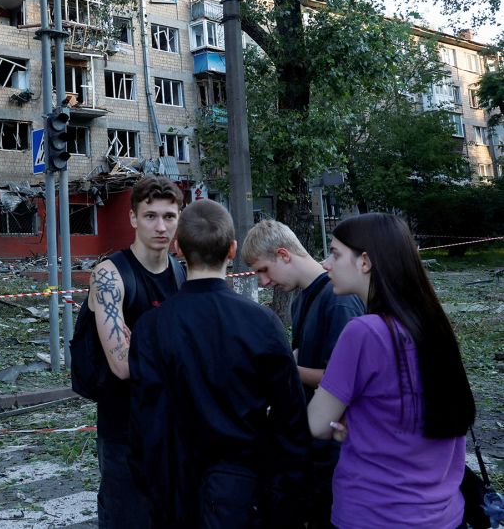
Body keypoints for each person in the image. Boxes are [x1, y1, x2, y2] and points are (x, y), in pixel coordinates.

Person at [131, 200, 310, 528]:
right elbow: (291, 418)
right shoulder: (263, 322)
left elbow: (148, 421)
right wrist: (289, 497)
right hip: (246, 491)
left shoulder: (151, 327)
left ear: (178, 248)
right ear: (232, 249)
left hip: (178, 490)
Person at [308, 213, 475, 529]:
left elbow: (316, 424)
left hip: (375, 513)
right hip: (443, 514)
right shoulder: (433, 325)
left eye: (335, 253)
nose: (326, 263)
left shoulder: (363, 332)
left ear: (365, 262)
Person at [242, 220, 364, 527]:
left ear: (284, 255)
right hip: (311, 443)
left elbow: (341, 379)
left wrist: (284, 369)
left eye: (263, 270)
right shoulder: (303, 298)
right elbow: (305, 356)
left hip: (333, 447)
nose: (263, 283)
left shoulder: (339, 300)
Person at [88, 175, 185, 527]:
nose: (161, 227)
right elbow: (123, 365)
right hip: (124, 433)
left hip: (172, 427)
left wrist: (143, 343)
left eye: (169, 216)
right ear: (132, 218)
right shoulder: (110, 275)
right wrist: (173, 351)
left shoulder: (179, 273)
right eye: (150, 216)